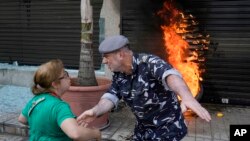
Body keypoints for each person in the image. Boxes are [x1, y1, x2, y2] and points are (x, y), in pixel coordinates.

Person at [77, 35, 211, 141]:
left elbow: (170, 75)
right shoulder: (119, 74)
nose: (103, 61)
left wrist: (187, 97)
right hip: (142, 131)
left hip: (167, 132)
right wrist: (95, 111)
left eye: (106, 57)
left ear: (120, 55)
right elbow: (111, 96)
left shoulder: (149, 63)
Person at [18, 59, 101, 141]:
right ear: (55, 84)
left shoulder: (35, 100)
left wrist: (49, 127)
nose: (69, 77)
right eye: (65, 74)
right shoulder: (60, 106)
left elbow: (22, 119)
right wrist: (95, 133)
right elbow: (75, 133)